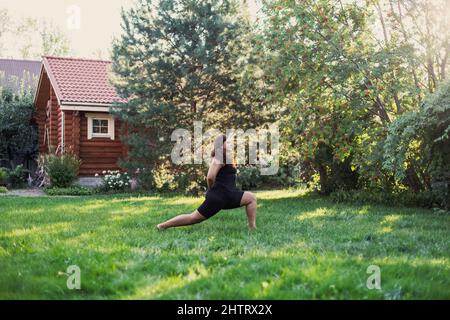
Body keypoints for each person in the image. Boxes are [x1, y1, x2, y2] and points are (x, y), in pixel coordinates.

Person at [156, 134, 257, 230]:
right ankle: (162, 226)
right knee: (193, 218)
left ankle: (252, 228)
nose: (230, 144)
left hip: (228, 195)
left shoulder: (226, 158)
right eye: (227, 142)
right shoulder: (219, 157)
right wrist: (212, 190)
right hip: (219, 196)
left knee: (251, 198)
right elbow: (210, 177)